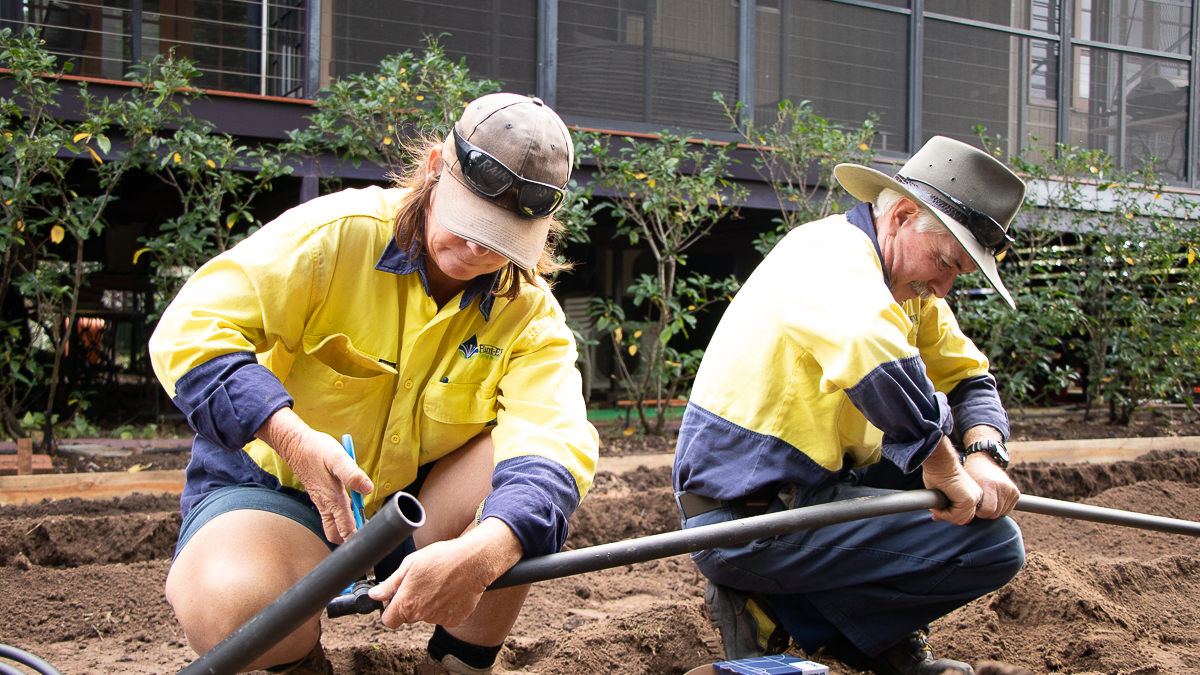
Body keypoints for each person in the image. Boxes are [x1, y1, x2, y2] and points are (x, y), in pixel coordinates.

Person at [149, 93, 599, 675]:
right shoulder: (334, 237)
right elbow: (189, 330)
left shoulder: (529, 314)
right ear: (435, 168)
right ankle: (300, 662)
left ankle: (458, 667)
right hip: (284, 494)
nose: (477, 250)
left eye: (501, 241)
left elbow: (555, 439)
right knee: (231, 608)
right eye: (468, 226)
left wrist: (486, 552)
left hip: (415, 511)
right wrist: (290, 437)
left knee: (524, 506)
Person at [672, 136, 1028, 675]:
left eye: (959, 275)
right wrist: (943, 463)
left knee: (936, 487)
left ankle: (841, 630)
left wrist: (982, 453)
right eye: (945, 263)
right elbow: (874, 354)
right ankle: (788, 608)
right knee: (992, 546)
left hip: (818, 491)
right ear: (903, 216)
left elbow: (969, 374)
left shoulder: (907, 289)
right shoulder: (831, 251)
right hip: (745, 515)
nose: (944, 287)